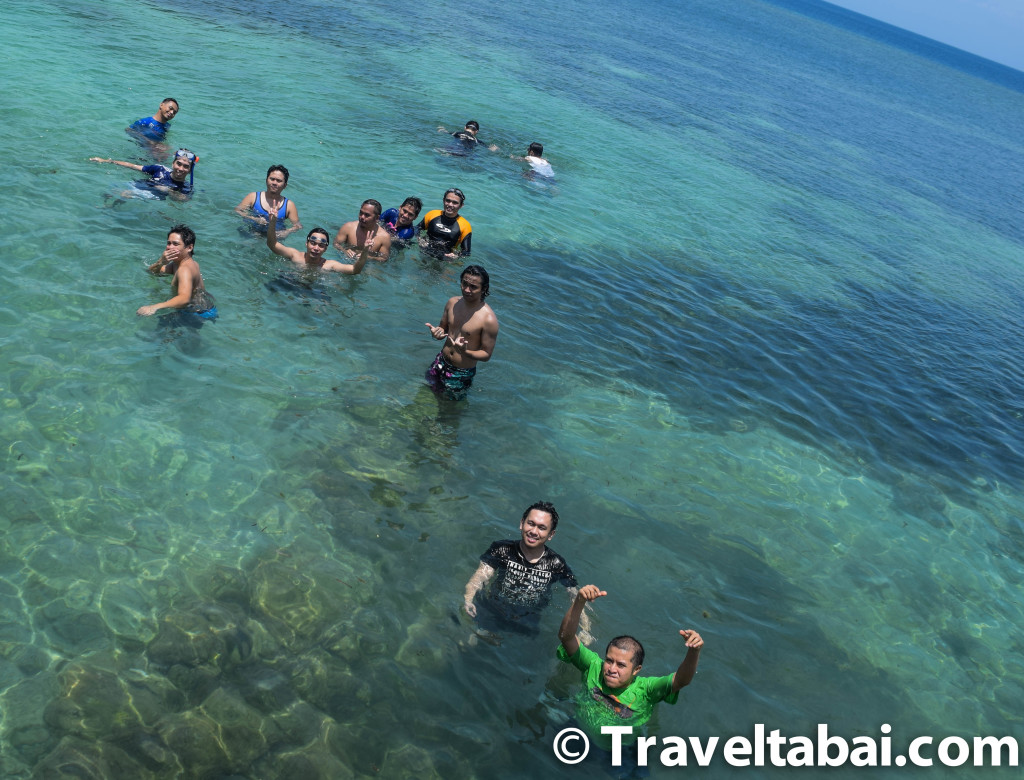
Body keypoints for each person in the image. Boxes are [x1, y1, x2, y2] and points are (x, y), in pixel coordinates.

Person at [557, 585, 704, 769]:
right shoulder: (594, 666)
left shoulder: (646, 690)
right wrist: (579, 601)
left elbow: (681, 681)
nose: (611, 668)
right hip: (579, 730)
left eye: (621, 665)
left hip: (620, 750)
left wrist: (694, 652)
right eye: (609, 660)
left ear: (636, 670)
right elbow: (566, 637)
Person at [464, 502, 593, 639]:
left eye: (542, 528)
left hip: (528, 618)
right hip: (494, 607)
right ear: (521, 524)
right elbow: (481, 576)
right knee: (476, 641)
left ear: (551, 534)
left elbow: (575, 596)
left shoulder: (556, 564)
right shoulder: (502, 549)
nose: (534, 531)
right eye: (531, 523)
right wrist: (468, 598)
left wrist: (586, 628)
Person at [424, 265, 497, 400]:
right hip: (440, 361)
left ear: (484, 289)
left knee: (449, 410)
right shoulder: (452, 303)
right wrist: (436, 334)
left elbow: (486, 355)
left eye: (473, 287)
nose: (466, 289)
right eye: (464, 283)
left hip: (461, 373)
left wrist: (465, 352)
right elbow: (443, 329)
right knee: (424, 394)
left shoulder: (488, 319)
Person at [137, 224, 217, 320]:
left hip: (196, 312)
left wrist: (154, 307)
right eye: (168, 243)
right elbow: (154, 272)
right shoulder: (179, 264)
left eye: (175, 244)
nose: (170, 247)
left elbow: (184, 299)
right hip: (204, 308)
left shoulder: (184, 269)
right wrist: (160, 262)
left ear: (189, 248)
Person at [266, 213, 369, 275]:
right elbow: (272, 245)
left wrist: (365, 251)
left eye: (321, 245)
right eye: (313, 243)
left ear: (325, 249)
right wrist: (272, 223)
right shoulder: (295, 255)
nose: (316, 248)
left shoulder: (329, 265)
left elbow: (355, 270)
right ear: (306, 243)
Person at [90, 148, 197, 198]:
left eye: (186, 166)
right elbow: (132, 166)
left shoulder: (186, 187)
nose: (181, 168)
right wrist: (106, 161)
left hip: (150, 195)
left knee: (124, 194)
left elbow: (183, 200)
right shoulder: (159, 169)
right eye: (179, 164)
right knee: (108, 190)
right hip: (138, 184)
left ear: (189, 171)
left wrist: (168, 191)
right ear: (173, 163)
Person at [235, 165, 302, 237]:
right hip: (253, 233)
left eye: (279, 181)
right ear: (266, 180)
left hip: (275, 237)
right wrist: (254, 219)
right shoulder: (253, 197)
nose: (274, 183)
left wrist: (286, 232)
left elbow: (298, 226)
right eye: (272, 179)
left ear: (285, 185)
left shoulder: (289, 205)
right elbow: (237, 211)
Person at [418, 189, 472, 258]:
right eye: (448, 201)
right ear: (443, 200)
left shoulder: (465, 225)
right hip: (424, 252)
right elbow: (417, 229)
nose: (450, 204)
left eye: (455, 203)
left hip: (446, 259)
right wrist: (420, 239)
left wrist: (457, 255)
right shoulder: (432, 214)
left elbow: (466, 252)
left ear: (461, 205)